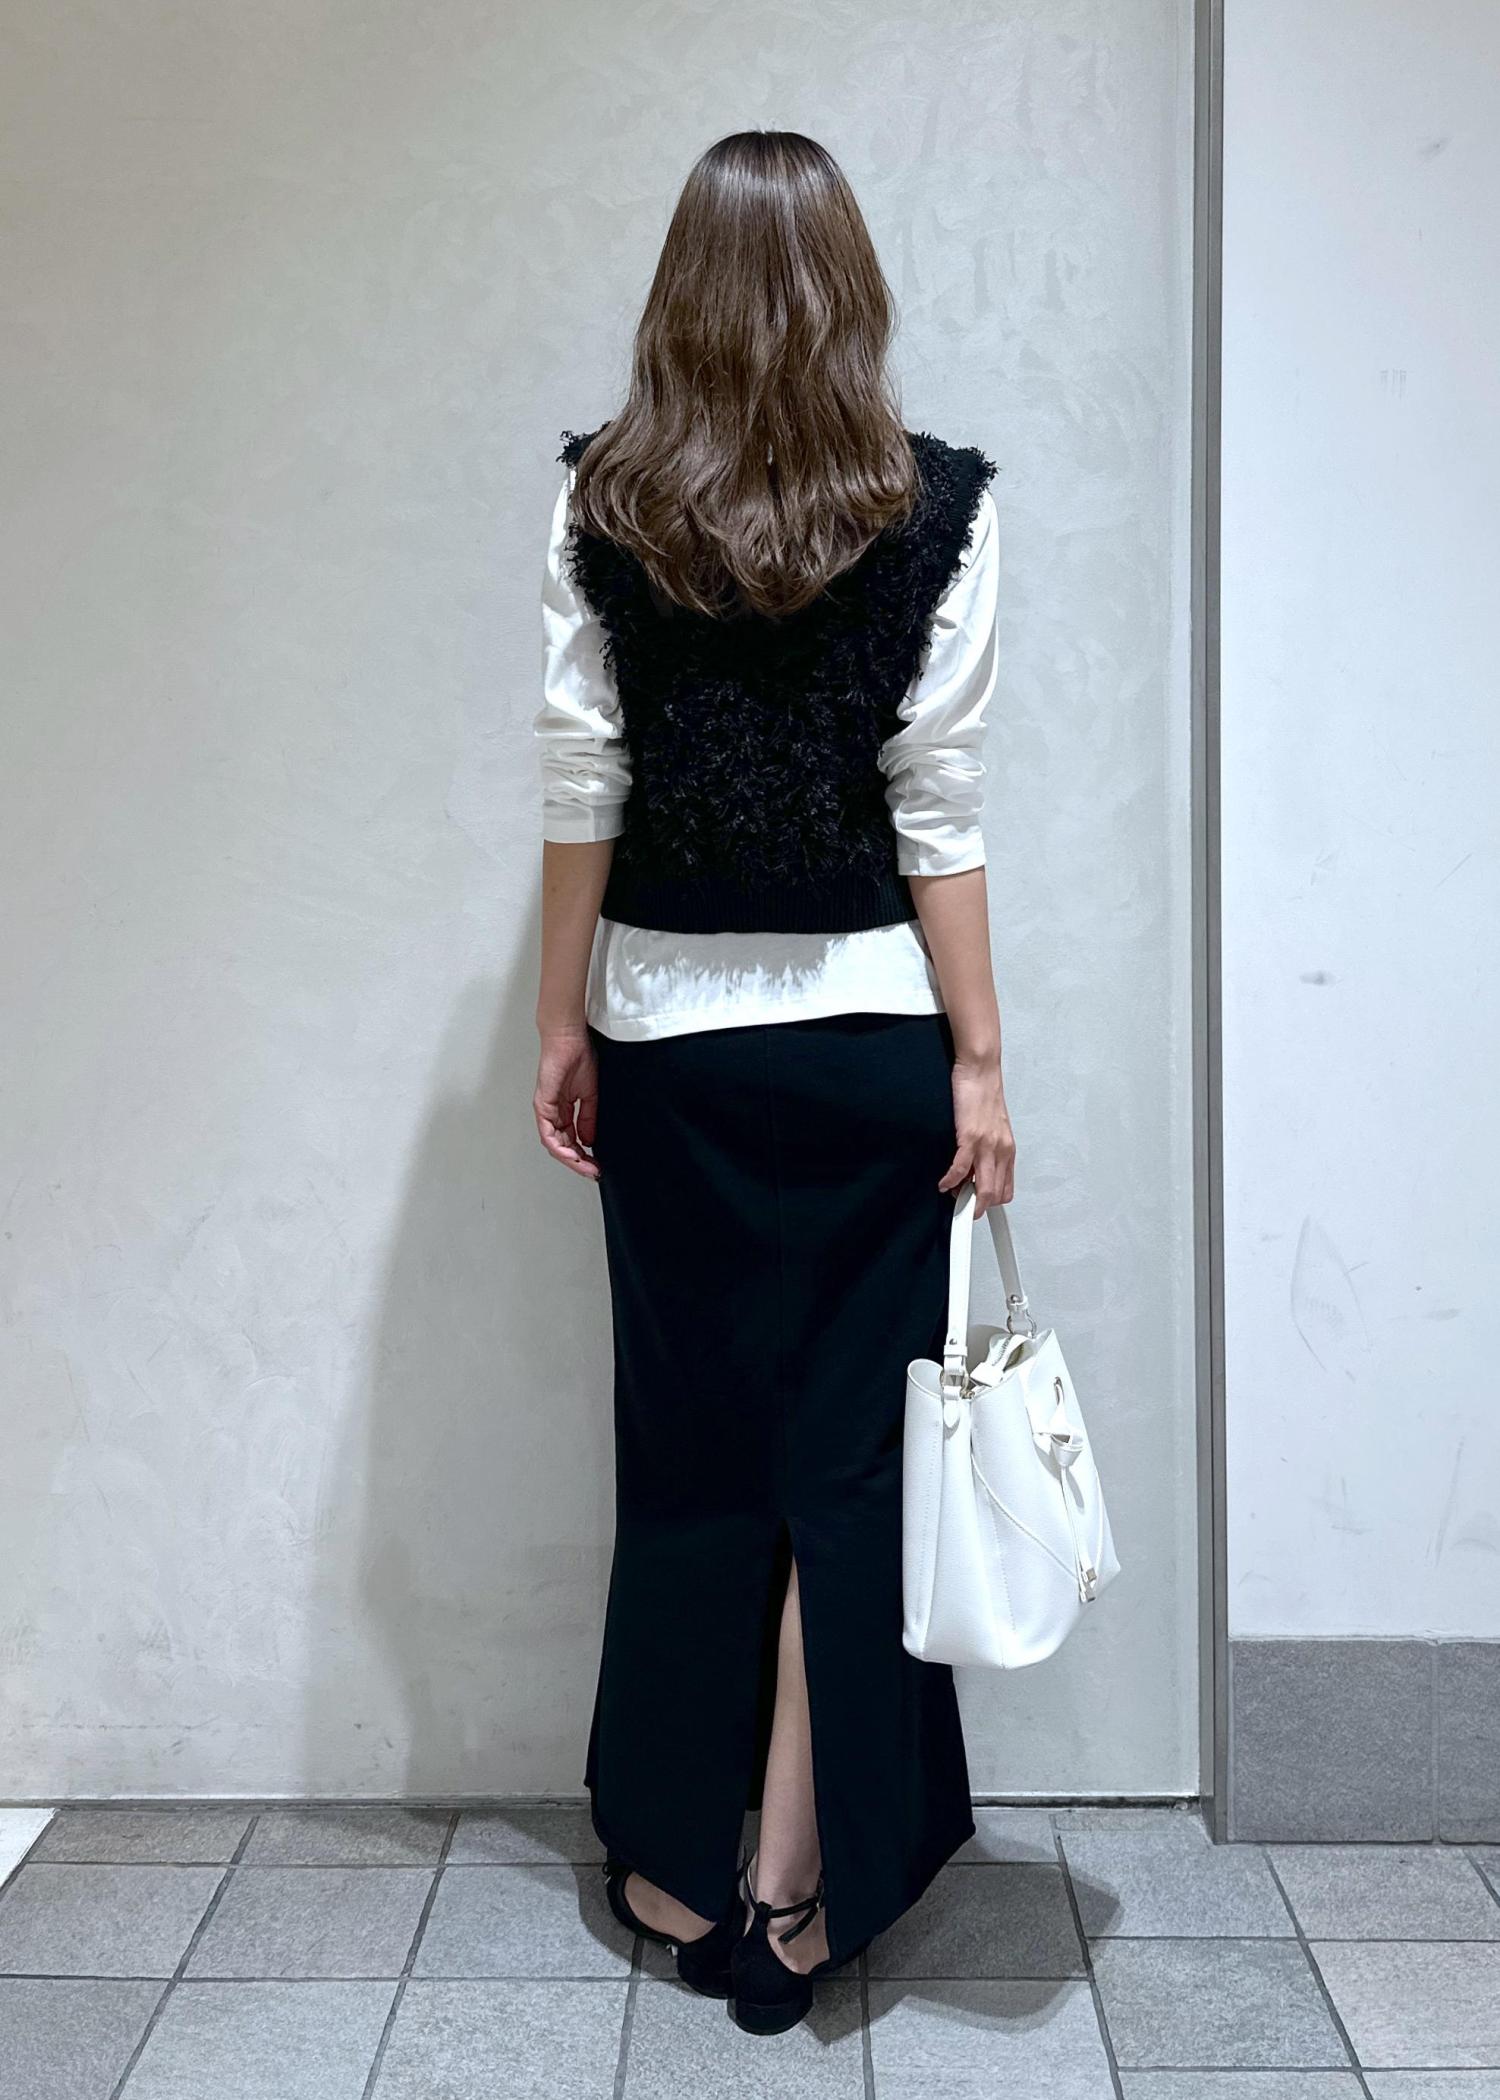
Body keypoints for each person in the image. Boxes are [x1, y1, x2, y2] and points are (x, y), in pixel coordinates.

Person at [531, 128, 1016, 2037]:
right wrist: (980, 1061)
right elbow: (938, 809)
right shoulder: (939, 507)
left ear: (684, 294)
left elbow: (583, 780)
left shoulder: (601, 502)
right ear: (851, 292)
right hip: (874, 1048)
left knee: (697, 1456)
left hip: (672, 1054)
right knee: (855, 1469)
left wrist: (559, 1024)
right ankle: (796, 1896)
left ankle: (673, 1866)